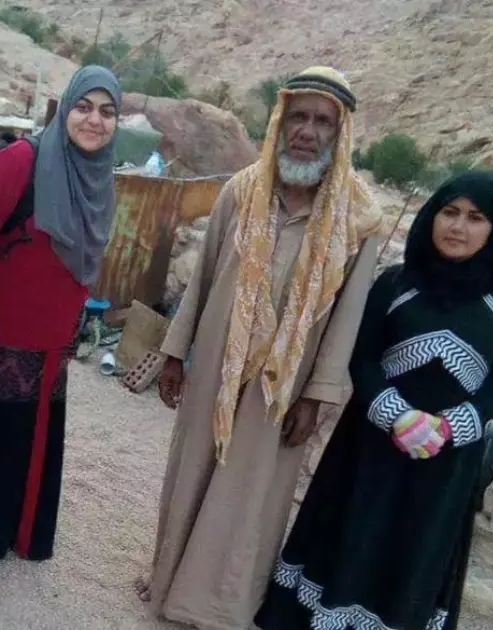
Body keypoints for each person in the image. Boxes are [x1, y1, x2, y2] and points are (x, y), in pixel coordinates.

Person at [137, 67, 384, 630]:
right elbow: (202, 280)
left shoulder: (359, 220)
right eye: (298, 116)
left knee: (251, 495)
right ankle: (167, 580)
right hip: (215, 366)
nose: (307, 131)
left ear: (340, 133)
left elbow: (348, 317)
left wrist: (317, 395)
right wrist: (175, 354)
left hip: (285, 386)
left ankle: (220, 605)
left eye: (322, 122)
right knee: (192, 472)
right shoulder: (242, 190)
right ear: (280, 120)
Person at [255, 171, 493, 630]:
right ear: (432, 215)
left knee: (416, 549)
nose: (458, 227)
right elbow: (362, 355)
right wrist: (397, 416)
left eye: (475, 218)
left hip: (446, 461)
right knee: (351, 531)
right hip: (370, 447)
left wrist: (451, 426)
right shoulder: (396, 282)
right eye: (449, 212)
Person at [0, 66, 121, 562]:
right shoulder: (22, 159)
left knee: (30, 436)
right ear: (64, 110)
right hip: (0, 337)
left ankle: (18, 535)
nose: (94, 120)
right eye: (84, 107)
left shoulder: (100, 180)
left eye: (107, 112)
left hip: (51, 342)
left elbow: (84, 260)